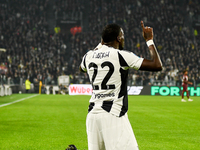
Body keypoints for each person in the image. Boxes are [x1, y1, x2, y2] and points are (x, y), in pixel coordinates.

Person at [80, 21, 162, 150]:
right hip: (113, 114)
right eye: (122, 35)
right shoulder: (121, 56)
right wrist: (149, 40)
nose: (123, 38)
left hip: (92, 117)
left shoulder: (88, 56)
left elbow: (82, 68)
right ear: (118, 38)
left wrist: (100, 46)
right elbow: (157, 65)